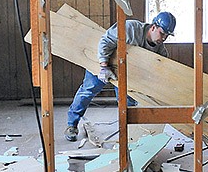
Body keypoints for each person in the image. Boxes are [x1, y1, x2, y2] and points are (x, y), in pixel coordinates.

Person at [64, 11, 177, 141]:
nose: (163, 38)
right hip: (104, 62)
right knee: (88, 91)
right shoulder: (131, 29)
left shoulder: (160, 50)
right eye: (162, 33)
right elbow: (106, 40)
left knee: (128, 102)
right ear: (153, 27)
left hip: (125, 74)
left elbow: (160, 68)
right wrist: (104, 66)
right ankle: (71, 125)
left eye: (167, 35)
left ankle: (129, 134)